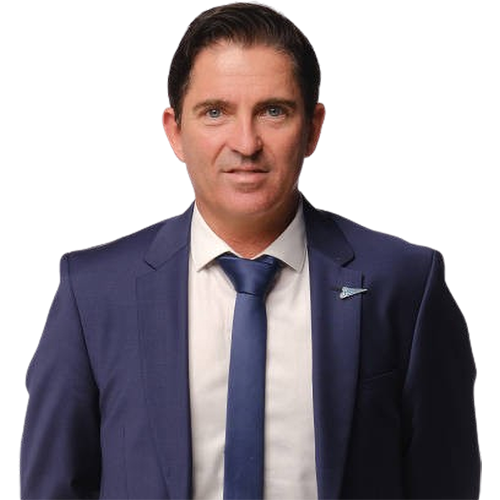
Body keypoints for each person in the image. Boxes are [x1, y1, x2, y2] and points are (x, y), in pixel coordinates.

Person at [20, 3, 480, 500]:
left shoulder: (404, 283)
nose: (245, 142)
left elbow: (446, 484)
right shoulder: (93, 293)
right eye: (215, 112)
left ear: (314, 128)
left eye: (273, 111)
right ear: (175, 131)